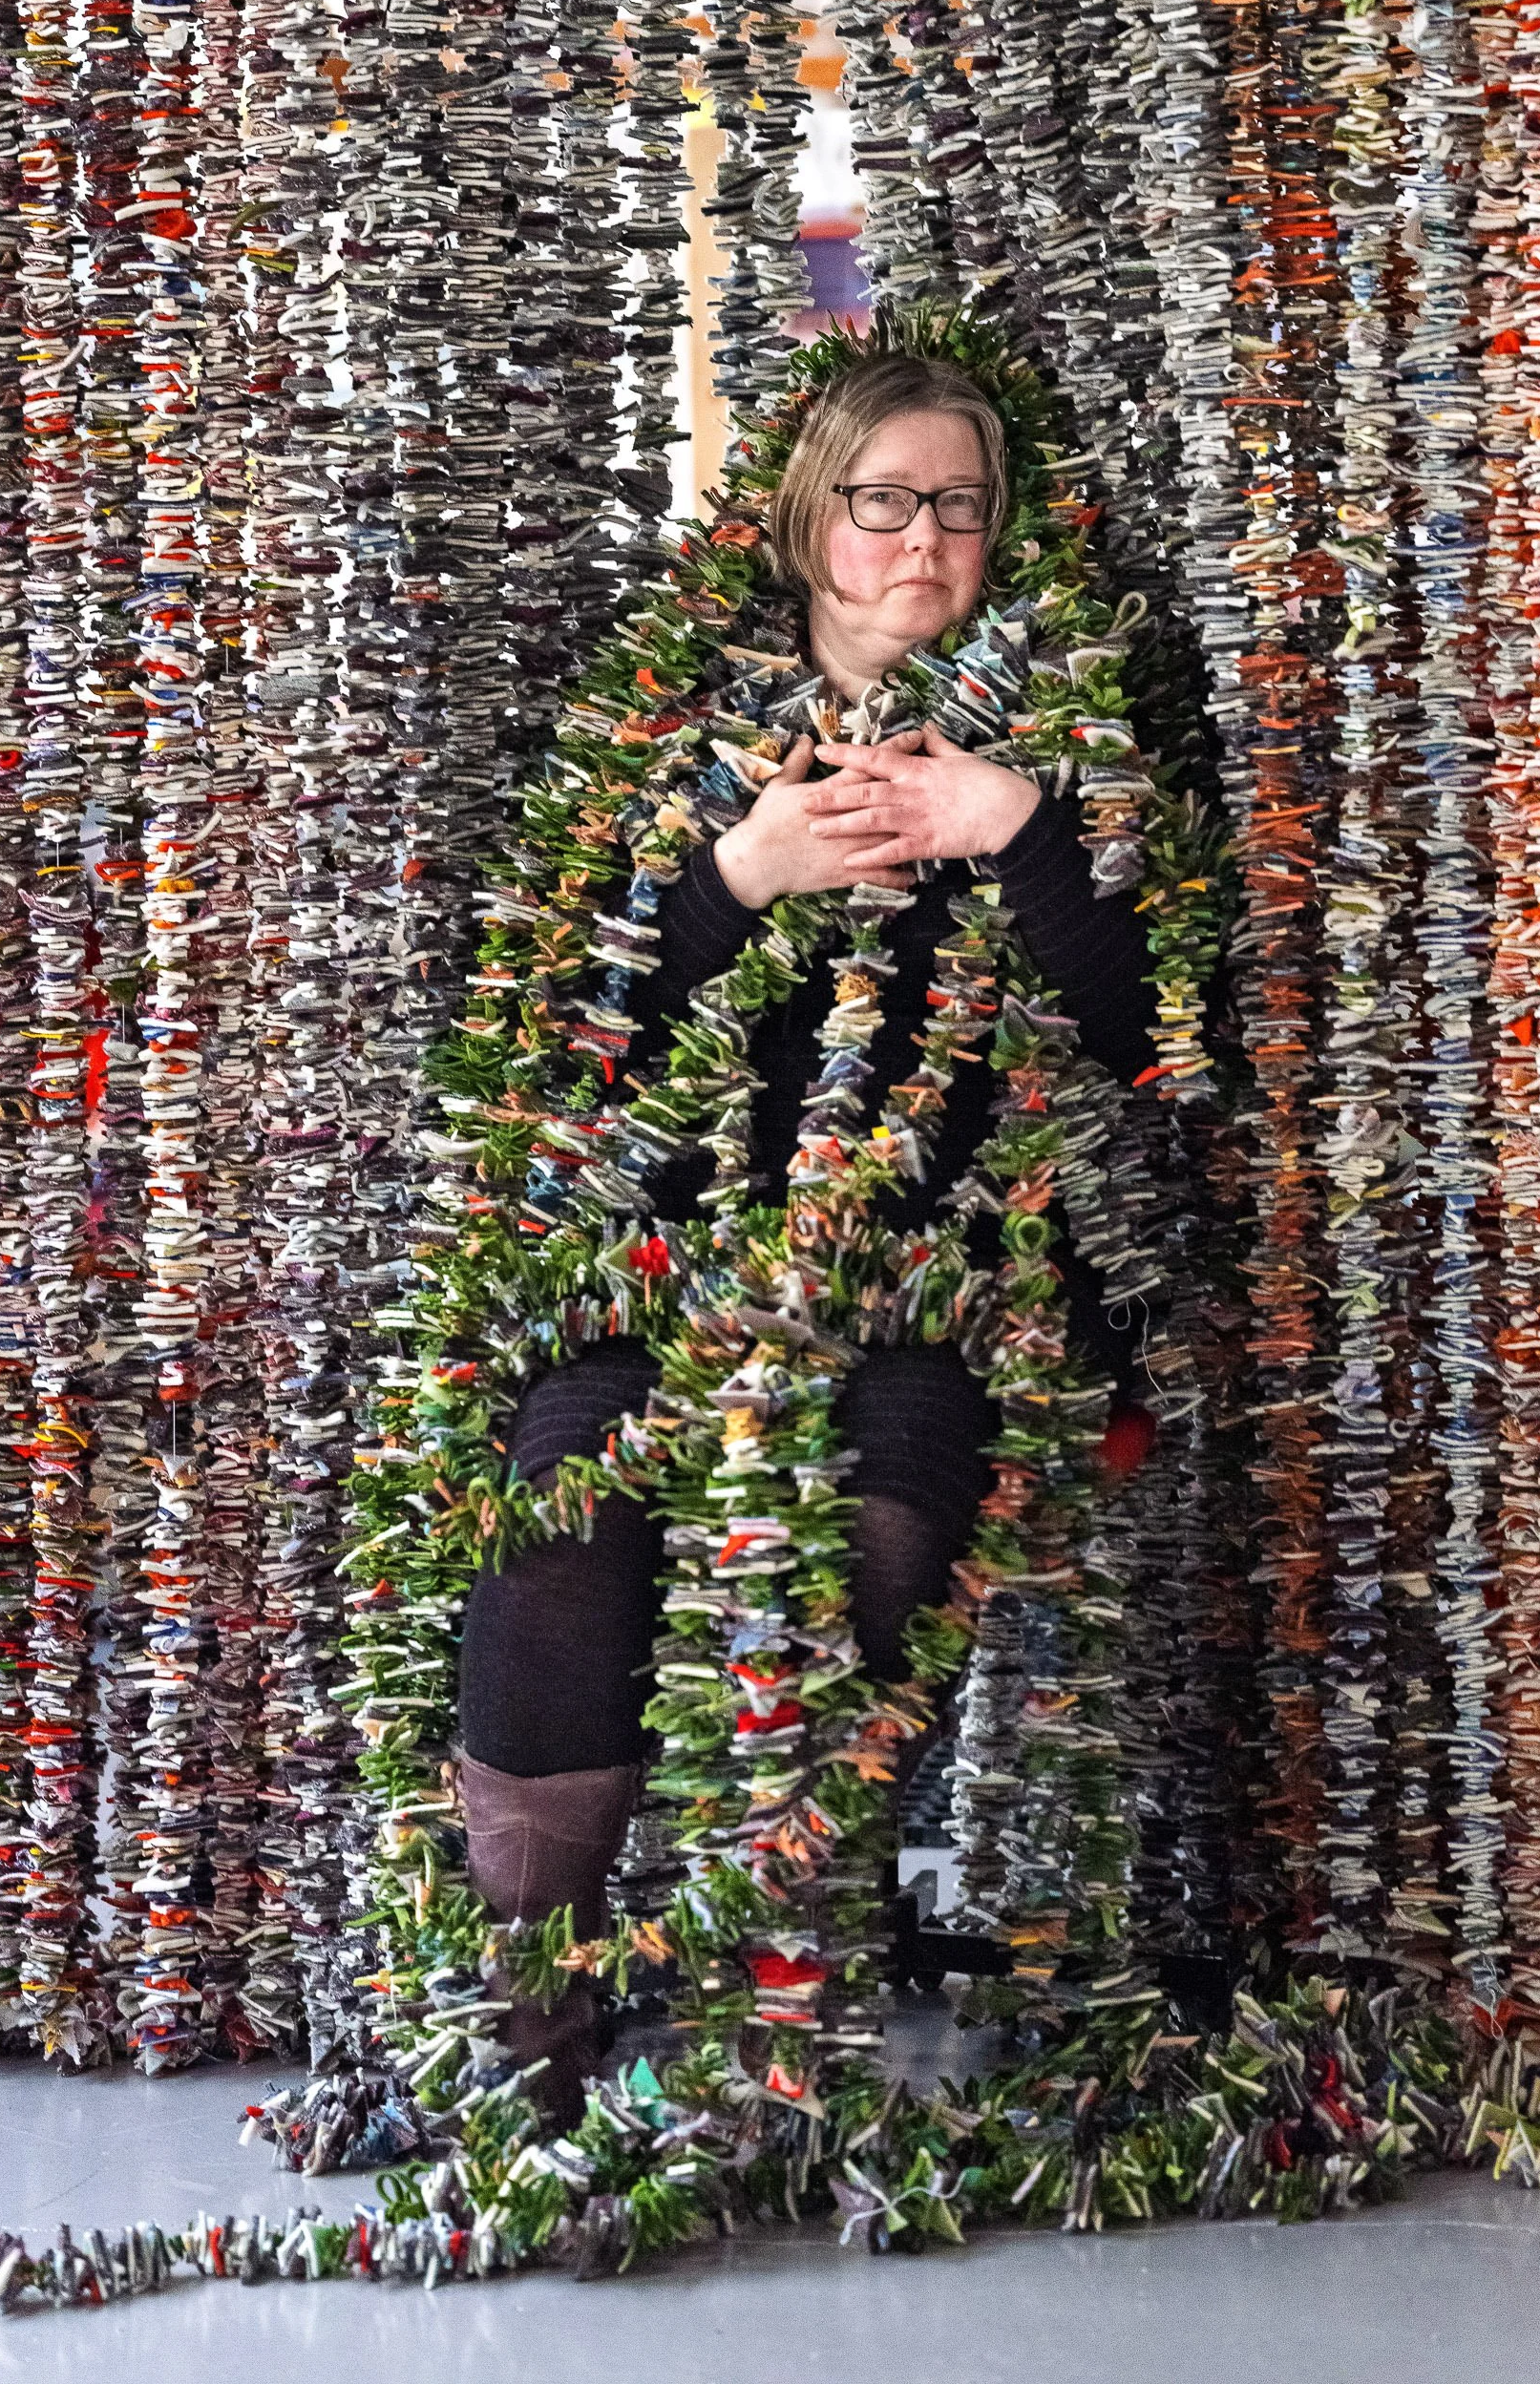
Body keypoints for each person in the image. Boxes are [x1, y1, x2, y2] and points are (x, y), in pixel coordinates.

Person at [455, 351, 1158, 2100]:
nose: (922, 540)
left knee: (869, 1547)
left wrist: (1018, 829)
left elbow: (1160, 1031)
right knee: (559, 1533)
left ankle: (752, 1975)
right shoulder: (660, 730)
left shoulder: (1068, 738)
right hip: (658, 1269)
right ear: (808, 519)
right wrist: (735, 874)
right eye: (884, 503)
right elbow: (546, 1038)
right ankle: (534, 2008)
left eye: (959, 506)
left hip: (940, 1281)